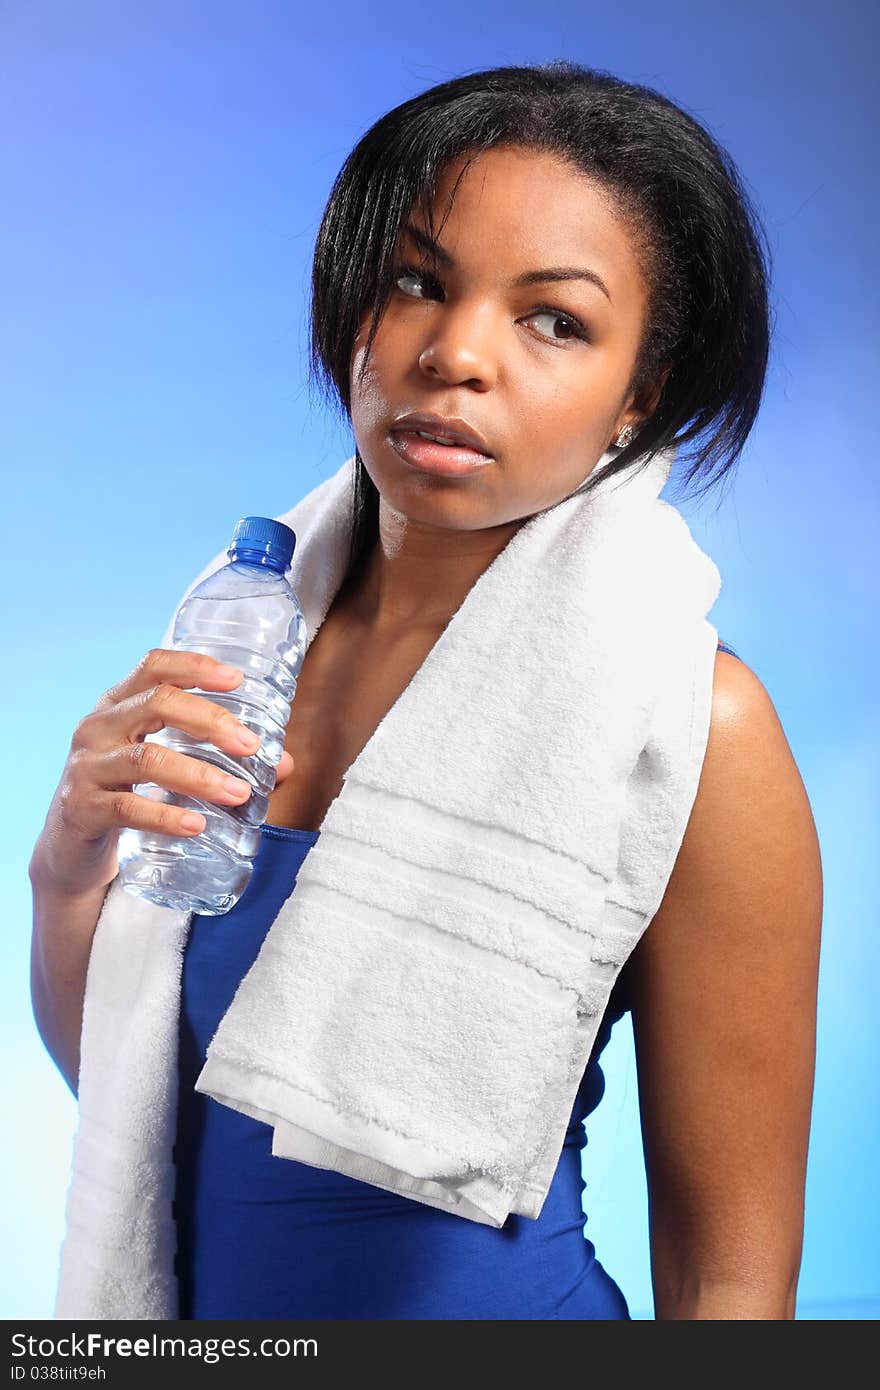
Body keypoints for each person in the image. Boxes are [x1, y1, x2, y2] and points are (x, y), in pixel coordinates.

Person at [30, 61, 823, 1320]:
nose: (455, 354)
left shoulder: (690, 728)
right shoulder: (245, 646)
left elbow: (729, 1276)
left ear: (642, 395)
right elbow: (136, 1096)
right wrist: (67, 865)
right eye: (418, 282)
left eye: (553, 319)